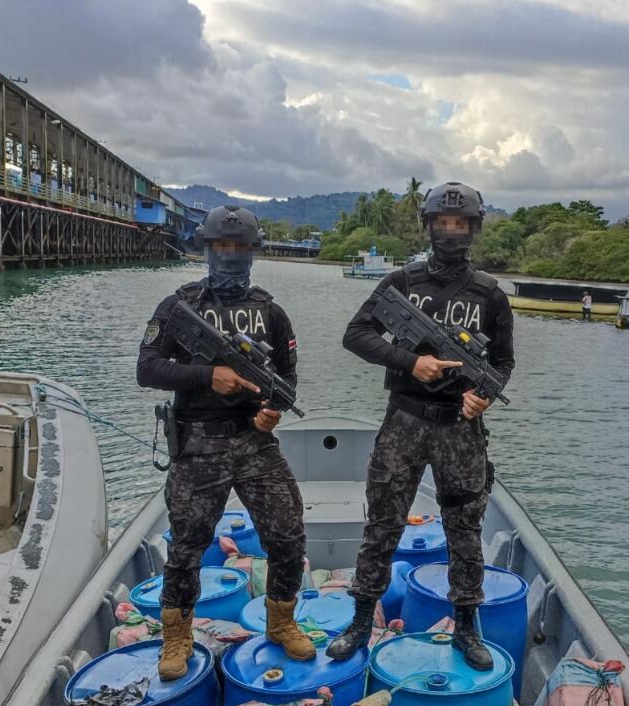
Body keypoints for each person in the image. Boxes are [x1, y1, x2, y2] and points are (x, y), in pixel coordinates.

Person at [327, 181, 515, 670]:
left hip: (460, 429)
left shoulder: (490, 295)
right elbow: (356, 334)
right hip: (405, 419)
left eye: (460, 224)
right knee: (382, 523)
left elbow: (502, 362)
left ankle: (467, 626)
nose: (450, 232)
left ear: (473, 229)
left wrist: (482, 397)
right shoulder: (402, 283)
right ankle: (360, 620)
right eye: (442, 223)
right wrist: (411, 362)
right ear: (429, 226)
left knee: (464, 529)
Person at [136, 205, 316, 679]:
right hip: (198, 443)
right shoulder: (178, 307)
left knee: (287, 532)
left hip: (255, 442)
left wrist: (272, 412)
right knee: (187, 546)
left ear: (252, 251)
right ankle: (177, 634)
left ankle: (281, 621)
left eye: (239, 247)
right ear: (207, 249)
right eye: (221, 246)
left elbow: (287, 380)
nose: (230, 255)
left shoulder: (271, 312)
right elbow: (147, 369)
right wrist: (207, 376)